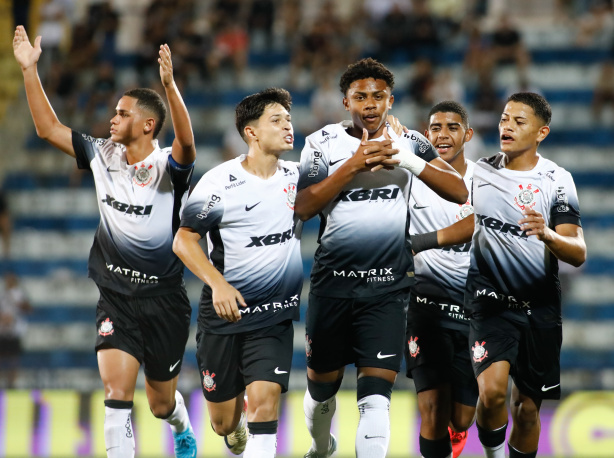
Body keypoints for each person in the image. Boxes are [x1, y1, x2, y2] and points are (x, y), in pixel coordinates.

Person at [13, 26, 197, 458]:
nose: (112, 118)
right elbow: (48, 129)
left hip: (164, 301)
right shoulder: (101, 154)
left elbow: (186, 143)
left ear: (148, 124)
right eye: (113, 111)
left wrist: (170, 87)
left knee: (159, 403)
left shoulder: (167, 166)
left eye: (123, 112)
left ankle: (179, 422)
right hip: (115, 296)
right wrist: (29, 70)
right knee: (117, 394)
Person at [295, 58, 468, 458]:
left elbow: (459, 192)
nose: (370, 104)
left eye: (378, 96)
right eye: (360, 97)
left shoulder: (410, 141)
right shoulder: (321, 143)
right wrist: (352, 166)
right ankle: (322, 446)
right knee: (322, 389)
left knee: (376, 398)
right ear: (345, 102)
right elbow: (302, 207)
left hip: (388, 289)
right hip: (332, 285)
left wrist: (408, 160)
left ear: (390, 100)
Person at [173, 88, 302, 458]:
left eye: (288, 119)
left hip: (273, 315)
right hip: (224, 314)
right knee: (223, 423)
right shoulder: (218, 183)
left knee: (264, 401)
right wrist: (219, 284)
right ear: (251, 132)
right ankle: (235, 426)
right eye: (276, 120)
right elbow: (183, 242)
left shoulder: (299, 178)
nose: (287, 126)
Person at [465, 92, 586, 458]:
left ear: (541, 132)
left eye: (519, 122)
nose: (507, 126)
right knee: (492, 394)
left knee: (528, 411)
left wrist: (547, 233)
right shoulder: (477, 172)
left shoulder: (557, 180)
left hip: (540, 306)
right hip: (489, 301)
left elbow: (577, 251)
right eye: (504, 119)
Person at [403, 101, 478, 458]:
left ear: (468, 134)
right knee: (432, 409)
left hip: (473, 310)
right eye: (435, 128)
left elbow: (481, 221)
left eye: (452, 127)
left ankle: (456, 431)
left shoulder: (485, 179)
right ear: (426, 134)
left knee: (462, 418)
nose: (443, 135)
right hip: (425, 307)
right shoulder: (412, 182)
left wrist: (420, 242)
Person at [0, 272, 31, 388]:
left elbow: (28, 309)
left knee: (13, 358)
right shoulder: (3, 296)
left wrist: (19, 304)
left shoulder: (19, 295)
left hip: (14, 332)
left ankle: (12, 382)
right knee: (2, 357)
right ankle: (3, 382)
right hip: (3, 331)